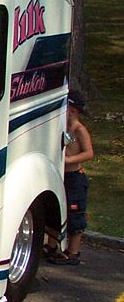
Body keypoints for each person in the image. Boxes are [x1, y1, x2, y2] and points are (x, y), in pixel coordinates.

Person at [49, 89, 94, 265]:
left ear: (73, 111)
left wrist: (69, 160)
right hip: (61, 175)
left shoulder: (79, 130)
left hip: (75, 178)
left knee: (75, 213)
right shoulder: (62, 127)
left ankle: (73, 251)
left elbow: (89, 153)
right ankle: (51, 245)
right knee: (56, 210)